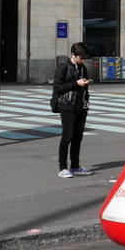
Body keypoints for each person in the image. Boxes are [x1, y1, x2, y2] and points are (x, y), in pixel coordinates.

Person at [53, 42, 92, 178]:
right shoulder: (63, 67)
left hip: (81, 105)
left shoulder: (82, 68)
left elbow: (84, 88)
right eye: (81, 58)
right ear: (73, 55)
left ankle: (75, 165)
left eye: (84, 58)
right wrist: (76, 83)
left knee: (78, 137)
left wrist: (86, 99)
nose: (83, 60)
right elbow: (57, 88)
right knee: (67, 136)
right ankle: (62, 167)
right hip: (67, 105)